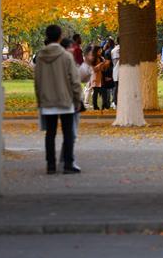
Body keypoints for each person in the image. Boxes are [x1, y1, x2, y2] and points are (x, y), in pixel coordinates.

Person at [34, 24, 82, 174]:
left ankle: (51, 165)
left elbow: (37, 80)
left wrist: (40, 99)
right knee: (68, 133)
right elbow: (74, 80)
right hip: (65, 99)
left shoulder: (40, 56)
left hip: (47, 100)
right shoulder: (66, 56)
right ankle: (68, 164)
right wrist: (77, 99)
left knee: (50, 133)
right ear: (60, 36)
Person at [90, 45, 111, 111]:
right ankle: (95, 106)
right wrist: (101, 64)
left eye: (100, 50)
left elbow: (104, 68)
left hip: (102, 77)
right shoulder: (93, 58)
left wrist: (106, 64)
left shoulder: (102, 57)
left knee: (104, 92)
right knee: (95, 93)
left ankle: (104, 105)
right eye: (99, 50)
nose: (100, 51)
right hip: (95, 77)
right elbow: (93, 69)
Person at [101, 39, 116, 110]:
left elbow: (107, 62)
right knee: (113, 86)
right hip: (114, 69)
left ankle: (108, 102)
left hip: (108, 70)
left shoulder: (107, 51)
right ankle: (113, 101)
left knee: (107, 87)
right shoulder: (114, 50)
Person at [110, 37, 121, 107]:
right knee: (117, 88)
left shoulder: (114, 50)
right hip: (119, 71)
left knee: (116, 87)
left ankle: (115, 101)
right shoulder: (118, 50)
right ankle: (115, 102)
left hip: (116, 71)